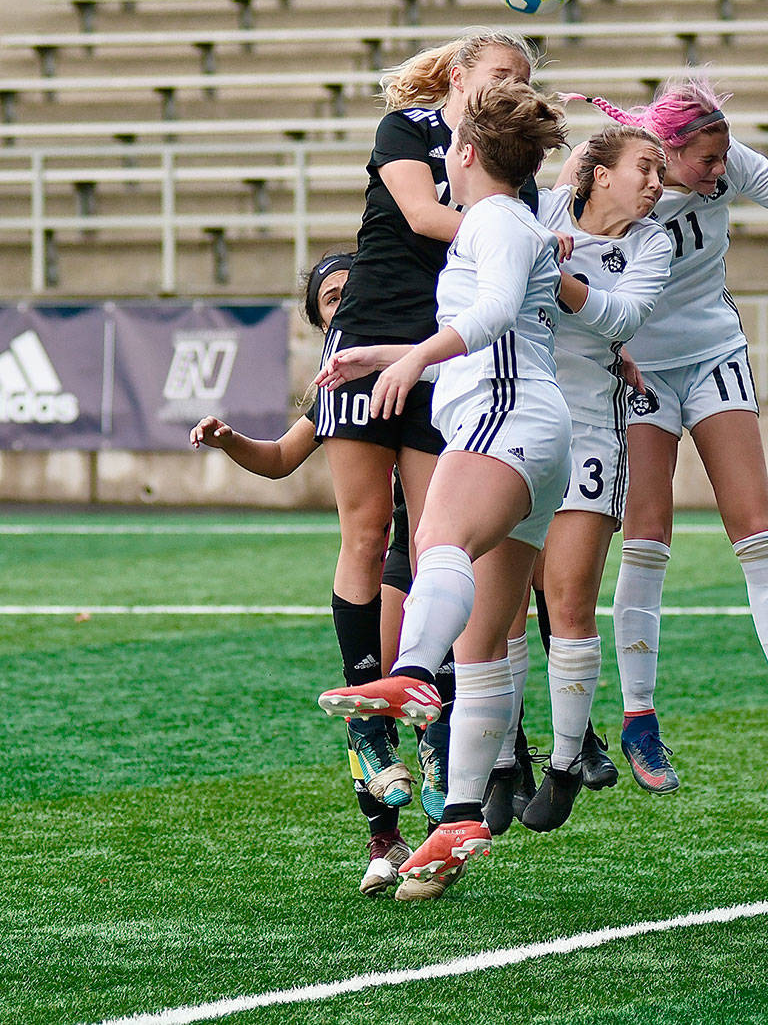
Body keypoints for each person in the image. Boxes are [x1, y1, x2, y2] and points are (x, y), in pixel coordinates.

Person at [563, 75, 768, 792]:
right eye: (705, 161)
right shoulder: (607, 175)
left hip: (713, 355)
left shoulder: (722, 159)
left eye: (724, 156)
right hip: (637, 368)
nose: (720, 171)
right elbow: (561, 246)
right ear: (664, 155)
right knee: (646, 537)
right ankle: (641, 721)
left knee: (757, 529)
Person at [314, 79, 572, 901]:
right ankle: (461, 814)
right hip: (537, 431)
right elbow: (498, 311)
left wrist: (416, 358)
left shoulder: (494, 219)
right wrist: (383, 351)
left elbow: (492, 312)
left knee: (436, 545)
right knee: (487, 642)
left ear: (463, 153)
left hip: (504, 415)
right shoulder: (511, 223)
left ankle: (413, 673)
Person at [191, 251, 415, 896]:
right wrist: (230, 439)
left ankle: (448, 799)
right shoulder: (335, 395)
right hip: (392, 557)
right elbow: (282, 458)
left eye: (356, 290)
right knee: (373, 686)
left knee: (420, 677)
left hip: (440, 550)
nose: (346, 302)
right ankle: (383, 837)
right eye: (332, 298)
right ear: (321, 325)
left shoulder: (427, 357)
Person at [504, 125, 673, 832]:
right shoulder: (540, 213)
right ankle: (502, 762)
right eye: (645, 167)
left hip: (591, 431)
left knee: (567, 603)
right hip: (515, 423)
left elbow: (620, 316)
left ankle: (567, 762)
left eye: (661, 170)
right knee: (505, 607)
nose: (658, 181)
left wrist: (556, 274)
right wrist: (541, 249)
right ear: (598, 174)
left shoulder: (651, 244)